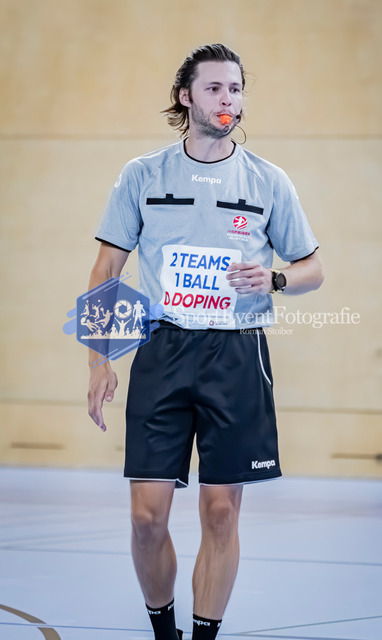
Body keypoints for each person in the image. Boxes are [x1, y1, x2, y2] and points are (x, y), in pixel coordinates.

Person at [87, 44, 323, 640]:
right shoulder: (142, 175)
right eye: (215, 88)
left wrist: (274, 279)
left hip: (236, 355)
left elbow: (312, 269)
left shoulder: (269, 180)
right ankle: (163, 630)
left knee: (220, 511)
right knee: (147, 519)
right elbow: (106, 270)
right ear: (185, 96)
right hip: (162, 351)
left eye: (236, 89)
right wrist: (98, 360)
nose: (227, 99)